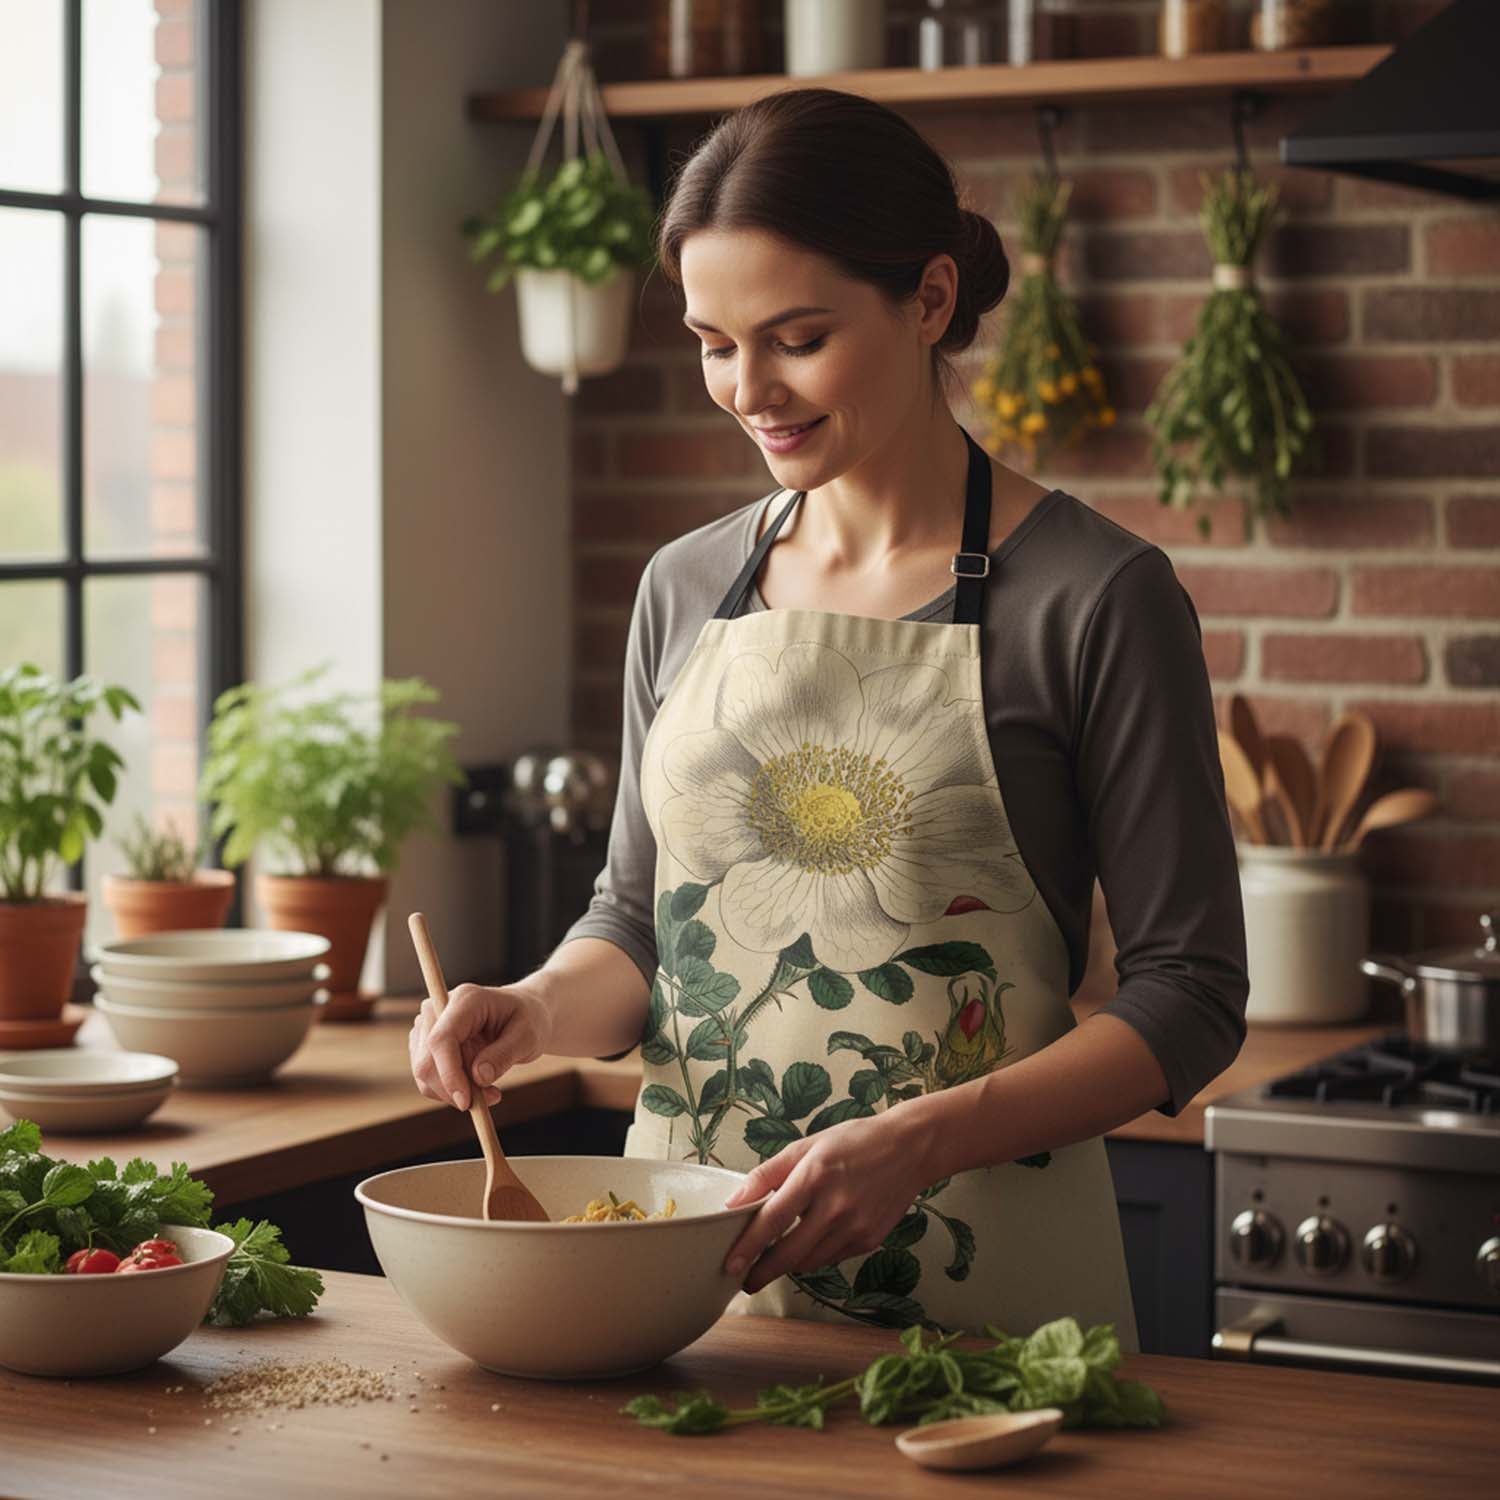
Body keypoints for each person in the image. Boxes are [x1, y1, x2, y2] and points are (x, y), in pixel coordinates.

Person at [411, 88, 1247, 1345]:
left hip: (991, 1332)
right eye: (712, 342)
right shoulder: (684, 585)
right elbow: (638, 926)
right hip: (683, 1303)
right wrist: (534, 1008)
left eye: (797, 338)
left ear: (928, 299)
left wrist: (915, 1142)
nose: (751, 390)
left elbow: (1190, 995)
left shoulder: (1097, 598)